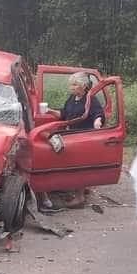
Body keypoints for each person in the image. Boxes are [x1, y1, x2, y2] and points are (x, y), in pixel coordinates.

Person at [39, 72, 105, 210]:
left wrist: (98, 121)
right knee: (67, 160)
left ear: (84, 86)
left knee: (79, 165)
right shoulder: (72, 98)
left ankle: (79, 198)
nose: (72, 87)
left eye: (75, 84)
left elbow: (98, 114)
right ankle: (78, 187)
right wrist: (50, 111)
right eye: (71, 84)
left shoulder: (90, 99)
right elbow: (64, 114)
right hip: (71, 134)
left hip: (82, 138)